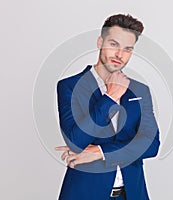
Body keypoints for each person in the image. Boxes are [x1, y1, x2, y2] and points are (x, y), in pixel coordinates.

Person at [55, 13, 160, 200]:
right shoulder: (69, 87)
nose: (120, 55)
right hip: (84, 194)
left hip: (132, 194)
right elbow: (76, 140)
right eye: (114, 44)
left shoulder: (140, 90)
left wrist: (99, 152)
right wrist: (110, 98)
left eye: (128, 49)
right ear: (100, 42)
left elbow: (151, 145)